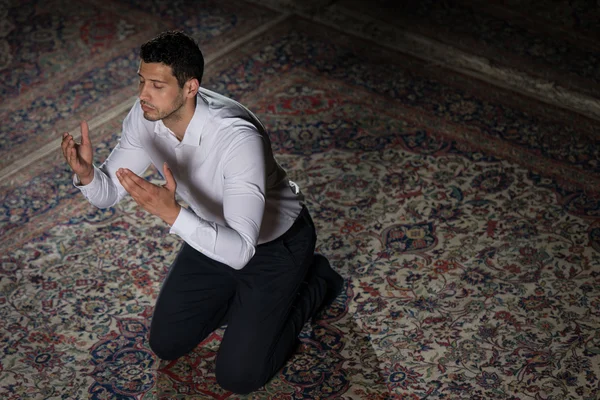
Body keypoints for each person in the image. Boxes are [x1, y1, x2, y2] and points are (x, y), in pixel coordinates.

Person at [60, 30, 344, 394]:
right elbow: (110, 192)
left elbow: (242, 250)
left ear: (190, 87)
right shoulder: (144, 116)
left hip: (275, 244)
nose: (143, 95)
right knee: (167, 342)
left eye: (157, 85)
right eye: (142, 81)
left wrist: (174, 215)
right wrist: (87, 175)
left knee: (239, 376)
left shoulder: (236, 138)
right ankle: (251, 306)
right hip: (211, 233)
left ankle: (316, 282)